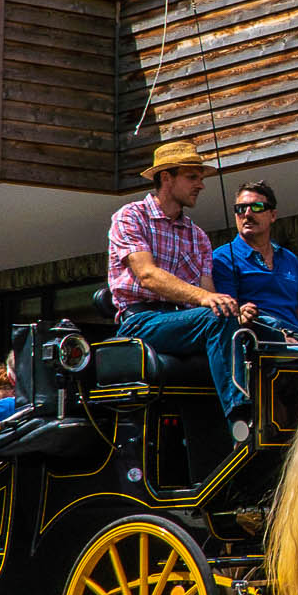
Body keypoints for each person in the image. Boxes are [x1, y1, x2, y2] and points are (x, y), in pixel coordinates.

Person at [108, 137, 256, 435]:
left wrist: (233, 312)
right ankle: (241, 419)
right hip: (140, 323)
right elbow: (147, 274)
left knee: (252, 329)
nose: (200, 185)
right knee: (216, 315)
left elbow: (208, 292)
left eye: (201, 178)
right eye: (192, 177)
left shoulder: (198, 236)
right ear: (166, 177)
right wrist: (207, 300)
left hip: (184, 323)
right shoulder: (130, 217)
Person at [210, 180, 298, 337]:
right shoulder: (222, 258)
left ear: (273, 215)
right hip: (259, 345)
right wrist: (243, 316)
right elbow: (227, 317)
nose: (248, 214)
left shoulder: (289, 258)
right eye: (241, 208)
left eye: (257, 207)